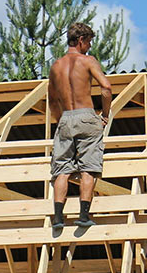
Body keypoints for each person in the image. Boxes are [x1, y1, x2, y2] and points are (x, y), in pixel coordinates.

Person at [47, 23, 113, 232]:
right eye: (89, 42)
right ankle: (83, 215)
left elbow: (51, 100)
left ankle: (58, 218)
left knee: (61, 171)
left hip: (65, 117)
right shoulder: (87, 61)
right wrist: (105, 113)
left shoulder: (56, 66)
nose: (89, 46)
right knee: (89, 168)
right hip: (86, 115)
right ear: (82, 40)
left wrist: (60, 121)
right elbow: (106, 87)